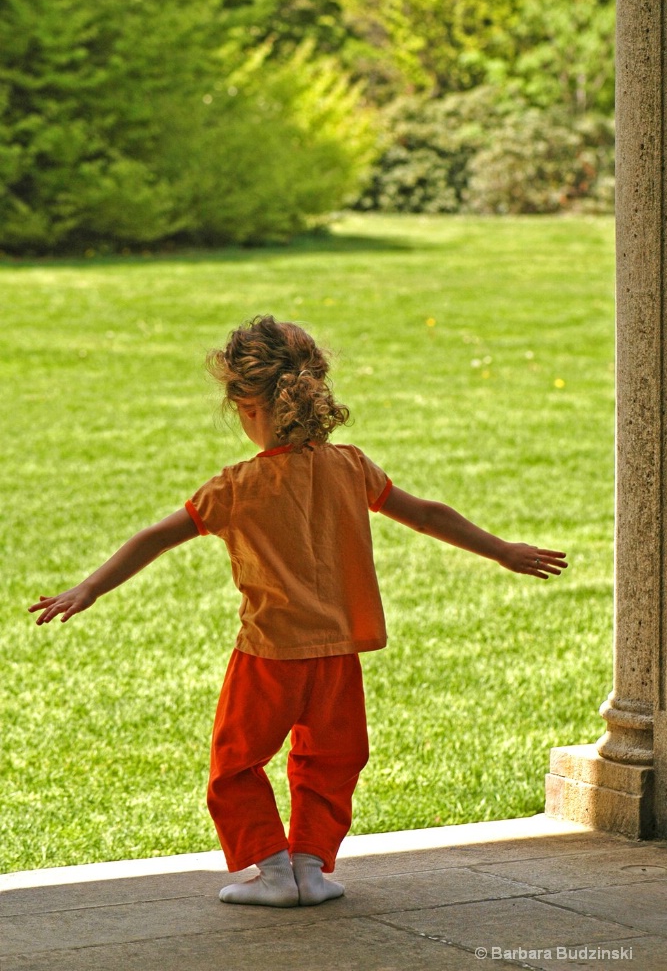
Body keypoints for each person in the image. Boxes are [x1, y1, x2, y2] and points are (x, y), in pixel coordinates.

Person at [29, 314, 567, 909]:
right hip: (338, 654)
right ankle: (310, 866)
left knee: (236, 765)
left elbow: (156, 537)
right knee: (330, 761)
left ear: (248, 407)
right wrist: (503, 551)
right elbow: (429, 514)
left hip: (268, 655)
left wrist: (89, 588)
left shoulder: (234, 486)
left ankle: (273, 871)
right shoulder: (352, 467)